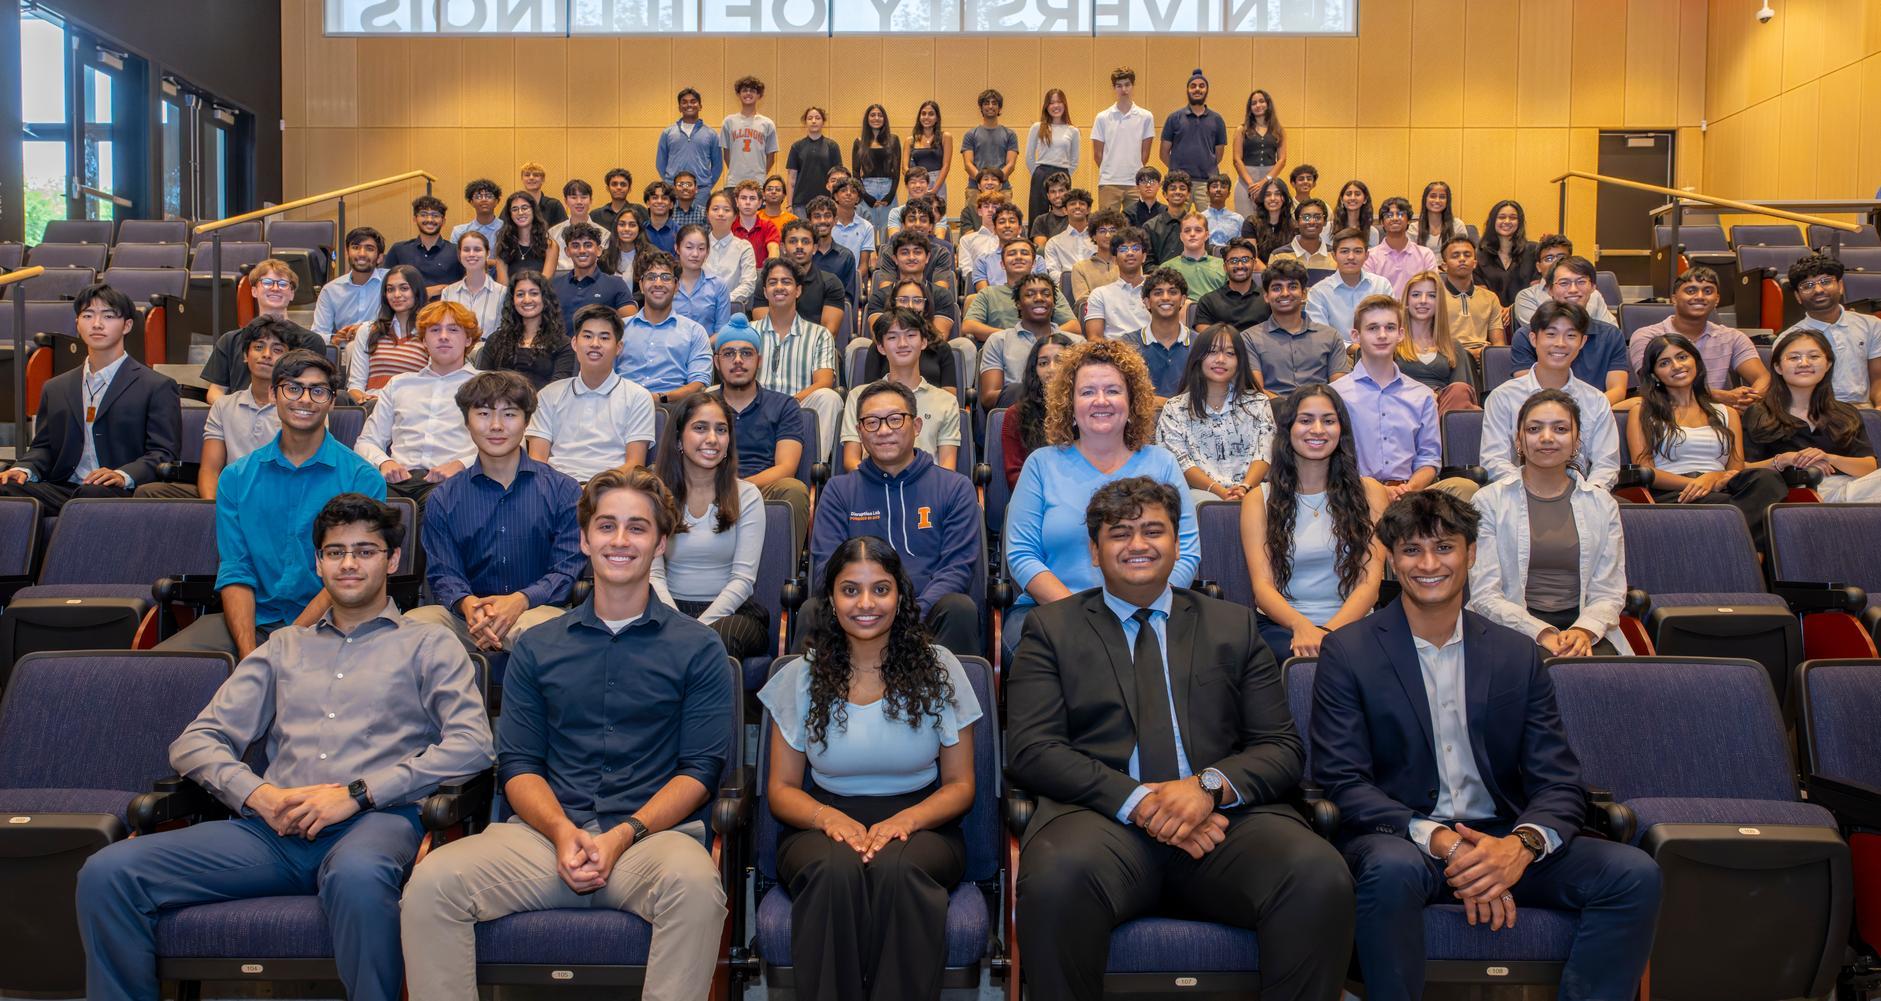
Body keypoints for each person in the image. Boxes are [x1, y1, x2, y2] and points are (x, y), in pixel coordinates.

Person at [80, 493, 493, 1001]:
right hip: (273, 830)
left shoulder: (428, 645)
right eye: (336, 552)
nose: (349, 563)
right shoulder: (283, 648)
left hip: (376, 822)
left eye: (365, 551)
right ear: (318, 562)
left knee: (359, 878)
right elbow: (195, 741)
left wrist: (356, 794)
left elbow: (473, 744)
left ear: (391, 560)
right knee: (109, 871)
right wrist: (258, 797)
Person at [1006, 476, 1355, 1001]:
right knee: (1054, 882)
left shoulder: (1232, 625)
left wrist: (1206, 787)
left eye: (1153, 531)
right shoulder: (1051, 629)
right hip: (1103, 822)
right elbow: (1033, 749)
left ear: (1177, 543)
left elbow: (1280, 747)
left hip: (1225, 825)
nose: (1138, 544)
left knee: (1317, 874)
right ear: (1095, 552)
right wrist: (1142, 802)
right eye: (1119, 534)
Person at [1312, 490, 1662, 1001]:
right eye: (1411, 550)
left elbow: (1559, 780)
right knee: (1389, 870)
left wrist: (1519, 848)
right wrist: (1448, 845)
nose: (1429, 564)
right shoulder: (1348, 651)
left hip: (1503, 836)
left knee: (1634, 874)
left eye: (1445, 548)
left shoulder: (1516, 654)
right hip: (1406, 840)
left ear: (1472, 553)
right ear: (1390, 558)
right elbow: (1342, 782)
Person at [400, 468, 734, 1001]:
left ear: (661, 543)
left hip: (649, 841)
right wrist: (561, 832)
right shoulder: (538, 646)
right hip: (542, 840)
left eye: (637, 528)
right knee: (430, 887)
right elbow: (519, 767)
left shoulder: (700, 648)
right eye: (606, 526)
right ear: (584, 539)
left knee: (697, 889)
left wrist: (621, 834)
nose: (620, 541)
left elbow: (699, 772)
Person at [760, 535, 982, 1000]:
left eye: (880, 589)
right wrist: (830, 819)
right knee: (835, 871)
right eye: (850, 589)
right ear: (831, 600)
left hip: (923, 824)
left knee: (898, 870)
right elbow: (781, 790)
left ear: (900, 595)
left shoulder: (939, 668)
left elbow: (961, 786)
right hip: (820, 823)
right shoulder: (799, 676)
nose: (866, 603)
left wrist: (905, 821)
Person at [154, 349, 384, 658]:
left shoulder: (362, 478)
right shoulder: (236, 477)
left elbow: (348, 574)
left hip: (335, 621)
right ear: (274, 394)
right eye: (293, 388)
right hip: (253, 620)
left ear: (331, 401)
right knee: (167, 669)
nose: (304, 399)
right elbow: (237, 569)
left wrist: (287, 643)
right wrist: (250, 655)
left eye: (317, 391)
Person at [1002, 339, 1199, 653]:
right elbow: (1022, 556)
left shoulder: (1162, 463)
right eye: (1087, 392)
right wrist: (1084, 615)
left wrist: (1142, 607)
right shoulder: (1041, 464)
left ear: (1132, 400)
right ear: (1070, 403)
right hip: (1055, 610)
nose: (1101, 401)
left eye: (1112, 390)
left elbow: (1185, 551)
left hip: (1149, 609)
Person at [409, 371, 580, 653]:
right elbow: (444, 573)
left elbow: (565, 570)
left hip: (536, 613)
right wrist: (468, 605)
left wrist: (520, 600)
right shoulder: (443, 498)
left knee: (543, 636)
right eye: (484, 414)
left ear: (527, 421)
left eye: (510, 414)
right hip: (466, 619)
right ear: (467, 421)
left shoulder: (564, 490)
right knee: (412, 628)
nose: (497, 426)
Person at [815, 379, 983, 654]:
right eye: (872, 422)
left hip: (928, 616)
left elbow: (956, 569)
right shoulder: (838, 491)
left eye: (895, 420)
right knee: (814, 610)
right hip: (859, 613)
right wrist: (868, 607)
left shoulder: (955, 488)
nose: (883, 431)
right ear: (859, 432)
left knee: (958, 608)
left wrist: (906, 615)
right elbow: (827, 568)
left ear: (916, 427)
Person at [1469, 388, 1632, 656]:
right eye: (1534, 429)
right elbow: (1485, 595)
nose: (1546, 438)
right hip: (1510, 624)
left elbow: (1609, 591)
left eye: (1560, 429)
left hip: (1582, 624)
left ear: (1576, 440)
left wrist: (1584, 631)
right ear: (1518, 441)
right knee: (1531, 669)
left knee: (1604, 678)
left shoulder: (1602, 505)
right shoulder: (1488, 502)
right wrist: (1541, 632)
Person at [0, 284, 179, 513]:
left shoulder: (156, 386)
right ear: (77, 323)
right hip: (64, 487)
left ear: (127, 325)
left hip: (118, 490)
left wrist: (123, 475)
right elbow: (43, 447)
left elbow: (163, 454)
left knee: (91, 494)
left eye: (108, 316)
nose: (97, 324)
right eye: (87, 315)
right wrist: (24, 469)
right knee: (6, 487)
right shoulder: (55, 387)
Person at [1240, 383, 1388, 659]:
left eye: (1328, 421)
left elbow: (1369, 583)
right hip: (1282, 627)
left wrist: (1329, 634)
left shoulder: (1371, 492)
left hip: (1355, 624)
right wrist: (1303, 627)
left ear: (1341, 429)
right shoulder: (1259, 499)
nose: (1318, 430)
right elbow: (1262, 587)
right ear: (1288, 430)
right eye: (1306, 420)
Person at [1628, 332, 1788, 546]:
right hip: (1674, 491)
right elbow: (1644, 471)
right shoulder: (1642, 412)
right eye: (1665, 362)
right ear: (1655, 374)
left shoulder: (1726, 413)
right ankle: (1752, 555)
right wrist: (1698, 483)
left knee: (1768, 480)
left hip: (1722, 485)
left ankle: (1742, 553)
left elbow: (1736, 468)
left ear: (1695, 361)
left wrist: (1712, 479)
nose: (1676, 366)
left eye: (1682, 357)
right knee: (1748, 511)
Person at [646, 393, 770, 659]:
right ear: (679, 439)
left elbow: (743, 581)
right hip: (669, 608)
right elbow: (654, 575)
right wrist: (676, 624)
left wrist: (696, 631)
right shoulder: (656, 494)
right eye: (700, 428)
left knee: (716, 643)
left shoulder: (747, 496)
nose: (712, 438)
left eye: (721, 430)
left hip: (732, 614)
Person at [139, 318, 290, 500]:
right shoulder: (224, 405)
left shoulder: (299, 405)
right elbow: (210, 469)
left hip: (278, 495)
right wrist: (214, 511)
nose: (266, 354)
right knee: (149, 492)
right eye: (258, 347)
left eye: (277, 350)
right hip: (230, 494)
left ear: (289, 359)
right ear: (245, 355)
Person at [354, 300, 481, 509]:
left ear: (468, 339)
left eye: (453, 329)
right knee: (357, 508)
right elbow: (366, 442)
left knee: (437, 506)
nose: (443, 336)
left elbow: (508, 443)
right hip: (397, 479)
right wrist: (384, 462)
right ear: (423, 341)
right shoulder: (399, 384)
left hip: (456, 480)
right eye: (434, 330)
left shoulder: (485, 386)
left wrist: (461, 465)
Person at [1481, 302, 1621, 490]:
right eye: (1551, 334)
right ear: (1533, 338)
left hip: (1581, 497)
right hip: (1518, 497)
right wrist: (1535, 494)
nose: (1560, 343)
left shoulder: (1596, 400)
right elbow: (1494, 461)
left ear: (1582, 342)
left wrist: (1588, 496)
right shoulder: (1503, 397)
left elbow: (1606, 466)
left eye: (1571, 335)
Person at [1745, 328, 1881, 502]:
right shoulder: (1760, 412)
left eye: (1814, 356)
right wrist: (1785, 459)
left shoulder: (1845, 413)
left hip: (1855, 488)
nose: (1804, 363)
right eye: (1794, 357)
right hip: (1797, 493)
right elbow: (1744, 468)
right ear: (1778, 367)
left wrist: (1828, 457)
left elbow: (1869, 466)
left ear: (1828, 365)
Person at [526, 304, 656, 483]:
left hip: (612, 489)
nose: (595, 344)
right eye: (587, 336)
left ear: (618, 347)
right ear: (574, 343)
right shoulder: (548, 396)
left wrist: (594, 489)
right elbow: (537, 462)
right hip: (555, 488)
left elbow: (635, 465)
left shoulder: (638, 397)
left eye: (604, 337)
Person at [1332, 296, 1443, 499]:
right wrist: (1379, 492)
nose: (1382, 335)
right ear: (1356, 336)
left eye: (1390, 328)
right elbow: (1331, 460)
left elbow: (1429, 459)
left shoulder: (1422, 395)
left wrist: (1408, 489)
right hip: (1355, 495)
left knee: (1463, 487)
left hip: (1409, 495)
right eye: (1373, 328)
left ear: (1401, 334)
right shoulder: (1336, 394)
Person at [1156, 323, 1275, 505]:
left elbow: (1264, 453)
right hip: (1200, 495)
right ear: (1198, 358)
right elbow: (1181, 462)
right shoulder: (1175, 409)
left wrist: (1245, 487)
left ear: (1240, 360)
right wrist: (1220, 491)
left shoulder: (1258, 403)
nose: (1220, 359)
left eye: (1230, 353)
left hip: (1253, 490)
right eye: (1212, 352)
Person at [1627, 266, 1769, 410]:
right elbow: (1654, 386)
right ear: (1674, 298)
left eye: (1708, 291)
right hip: (1668, 414)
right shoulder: (1647, 336)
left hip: (1722, 418)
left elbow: (1763, 378)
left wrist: (1747, 399)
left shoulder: (1733, 337)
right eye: (1691, 291)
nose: (1700, 296)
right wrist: (1722, 397)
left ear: (1717, 299)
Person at [840, 310, 962, 472]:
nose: (902, 344)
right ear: (881, 347)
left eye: (911, 335)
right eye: (892, 337)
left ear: (924, 342)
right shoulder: (858, 396)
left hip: (926, 491)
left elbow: (948, 467)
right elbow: (851, 461)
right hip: (873, 486)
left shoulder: (946, 401)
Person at [754, 258, 845, 461]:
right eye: (772, 282)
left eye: (786, 282)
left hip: (798, 406)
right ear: (765, 291)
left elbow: (824, 382)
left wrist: (787, 404)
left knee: (829, 398)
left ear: (798, 291)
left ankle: (812, 470)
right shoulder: (749, 333)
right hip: (754, 408)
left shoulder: (819, 334)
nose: (779, 287)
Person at [199, 258, 325, 404]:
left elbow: (311, 392)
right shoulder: (229, 340)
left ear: (291, 294)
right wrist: (234, 412)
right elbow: (216, 391)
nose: (275, 288)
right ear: (254, 290)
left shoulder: (311, 342)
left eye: (283, 284)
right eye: (267, 282)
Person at [1510, 254, 1630, 403]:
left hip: (1595, 417)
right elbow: (1527, 391)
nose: (1573, 289)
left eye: (1581, 282)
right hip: (1543, 416)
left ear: (1593, 287)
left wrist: (1587, 412)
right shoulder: (1527, 336)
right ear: (1550, 290)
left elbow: (1617, 390)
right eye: (1564, 283)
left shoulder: (1611, 335)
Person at [1783, 252, 1881, 407]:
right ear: (1797, 296)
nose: (1818, 290)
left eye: (1825, 281)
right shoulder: (1789, 338)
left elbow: (1878, 380)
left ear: (1840, 286)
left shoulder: (1871, 325)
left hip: (1864, 411)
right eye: (1807, 286)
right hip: (1815, 414)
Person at [615, 251, 712, 404]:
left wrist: (661, 399)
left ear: (676, 287)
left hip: (673, 410)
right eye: (651, 277)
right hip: (622, 407)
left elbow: (699, 383)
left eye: (666, 278)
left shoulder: (694, 331)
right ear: (641, 285)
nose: (658, 283)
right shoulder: (619, 329)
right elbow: (604, 375)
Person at [1246, 258, 1351, 397]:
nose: (1285, 293)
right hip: (1271, 413)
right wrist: (1288, 409)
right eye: (1277, 288)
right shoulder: (1250, 338)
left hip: (1320, 411)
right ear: (1266, 296)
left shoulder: (1330, 336)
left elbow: (1340, 388)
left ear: (1303, 294)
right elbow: (1256, 391)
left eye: (1292, 287)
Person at [343, 264, 430, 403]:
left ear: (417, 291)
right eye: (390, 289)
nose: (396, 295)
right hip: (373, 404)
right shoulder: (368, 330)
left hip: (413, 406)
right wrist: (363, 398)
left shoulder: (430, 333)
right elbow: (355, 386)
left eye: (404, 288)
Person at [999, 333, 1076, 488]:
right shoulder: (1016, 415)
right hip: (1038, 496)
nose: (1051, 369)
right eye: (1043, 363)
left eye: (1060, 361)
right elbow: (1015, 476)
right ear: (1035, 371)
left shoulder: (1087, 411)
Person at [478, 271, 574, 391]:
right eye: (520, 294)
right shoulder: (495, 340)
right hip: (499, 407)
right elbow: (483, 385)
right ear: (512, 300)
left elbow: (558, 391)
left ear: (545, 298)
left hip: (543, 407)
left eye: (534, 293)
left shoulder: (563, 344)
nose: (527, 300)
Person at [1399, 270, 1480, 413]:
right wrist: (1426, 395)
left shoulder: (1452, 346)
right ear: (1406, 301)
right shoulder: (1393, 342)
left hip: (1444, 407)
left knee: (1460, 391)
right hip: (1404, 407)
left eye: (1431, 296)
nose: (1423, 300)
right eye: (1416, 295)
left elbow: (1460, 391)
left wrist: (1437, 398)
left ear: (1439, 303)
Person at [963, 239, 1073, 342]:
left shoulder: (1048, 292)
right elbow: (969, 326)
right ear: (1002, 264)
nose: (1018, 257)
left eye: (1024, 253)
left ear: (1034, 263)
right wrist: (1014, 337)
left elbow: (1074, 326)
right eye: (1012, 254)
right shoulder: (988, 293)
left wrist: (1042, 339)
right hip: (1002, 350)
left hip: (1044, 351)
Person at [754, 219, 848, 335]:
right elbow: (763, 331)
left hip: (817, 349)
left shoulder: (831, 283)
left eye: (805, 242)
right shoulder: (768, 282)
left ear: (814, 248)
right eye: (793, 241)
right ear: (782, 247)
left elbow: (828, 334)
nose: (799, 246)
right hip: (774, 347)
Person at [869, 230, 961, 337]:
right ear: (895, 259)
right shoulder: (879, 297)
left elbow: (938, 338)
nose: (911, 257)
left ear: (927, 258)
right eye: (904, 253)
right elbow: (879, 336)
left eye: (917, 252)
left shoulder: (942, 296)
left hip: (930, 351)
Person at [1510, 235, 1616, 328]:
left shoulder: (1593, 294)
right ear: (1538, 266)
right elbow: (1540, 333)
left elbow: (1611, 330)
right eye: (1549, 258)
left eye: (1562, 257)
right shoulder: (1527, 296)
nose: (1556, 262)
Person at [1305, 227, 1393, 338]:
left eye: (1357, 251)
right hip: (1334, 353)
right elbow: (1320, 335)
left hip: (1378, 350)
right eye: (1344, 251)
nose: (1351, 257)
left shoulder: (1381, 286)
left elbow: (1391, 325)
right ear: (1334, 256)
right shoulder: (1319, 292)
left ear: (1366, 255)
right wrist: (1350, 348)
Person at [1124, 267, 1196, 401]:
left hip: (1189, 417)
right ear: (1146, 302)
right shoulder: (1128, 344)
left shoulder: (1200, 343)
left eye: (1173, 292)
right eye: (1158, 293)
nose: (1165, 297)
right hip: (1144, 418)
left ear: (1183, 300)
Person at [549, 222, 634, 331]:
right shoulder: (554, 286)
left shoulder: (616, 284)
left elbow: (630, 327)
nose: (582, 251)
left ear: (599, 250)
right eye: (575, 245)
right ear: (567, 251)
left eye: (588, 245)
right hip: (561, 347)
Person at [1092, 67, 1156, 212]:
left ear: (1132, 86)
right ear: (1114, 88)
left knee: (1135, 228)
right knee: (1107, 227)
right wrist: (1111, 169)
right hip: (1109, 182)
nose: (1124, 89)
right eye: (1119, 86)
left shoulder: (1146, 116)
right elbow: (1098, 155)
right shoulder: (1102, 117)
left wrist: (1134, 169)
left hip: (1135, 182)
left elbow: (1145, 153)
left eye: (1127, 85)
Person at [311, 227, 388, 341]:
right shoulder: (330, 290)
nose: (362, 254)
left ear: (380, 258)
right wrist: (334, 338)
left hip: (380, 350)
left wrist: (366, 330)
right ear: (347, 253)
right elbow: (318, 334)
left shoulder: (391, 282)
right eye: (356, 247)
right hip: (343, 352)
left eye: (369, 249)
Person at [1437, 234, 1508, 350]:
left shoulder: (1490, 298)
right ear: (1444, 266)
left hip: (1483, 358)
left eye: (1467, 255)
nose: (1462, 259)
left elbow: (1499, 343)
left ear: (1474, 263)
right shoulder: (1435, 296)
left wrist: (1487, 357)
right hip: (1448, 357)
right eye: (1455, 256)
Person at [384, 194, 465, 294]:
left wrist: (444, 289)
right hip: (409, 308)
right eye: (423, 215)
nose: (429, 220)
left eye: (435, 215)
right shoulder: (399, 249)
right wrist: (425, 292)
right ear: (415, 219)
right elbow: (386, 286)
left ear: (443, 221)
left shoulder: (457, 251)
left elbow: (466, 285)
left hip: (445, 308)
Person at [1160, 69, 1227, 189]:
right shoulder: (1174, 118)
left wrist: (1207, 168)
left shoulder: (1217, 119)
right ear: (1187, 90)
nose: (1197, 89)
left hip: (1207, 182)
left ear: (1207, 90)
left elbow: (1219, 154)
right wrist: (1175, 171)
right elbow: (1163, 152)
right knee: (1177, 209)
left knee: (1207, 209)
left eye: (1202, 86)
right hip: (1179, 183)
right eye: (1193, 86)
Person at [1084, 226, 1153, 341]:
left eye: (1135, 248)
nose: (1130, 253)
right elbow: (1094, 338)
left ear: (1144, 257)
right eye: (1123, 249)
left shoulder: (1157, 292)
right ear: (1115, 260)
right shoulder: (1100, 294)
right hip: (1115, 354)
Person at [1366, 197, 1440, 296]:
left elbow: (1433, 291)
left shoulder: (1425, 255)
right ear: (1382, 223)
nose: (1395, 218)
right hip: (1382, 309)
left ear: (1408, 220)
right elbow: (1369, 294)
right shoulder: (1370, 257)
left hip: (1418, 309)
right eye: (1389, 215)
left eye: (1400, 214)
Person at [440, 231, 506, 338]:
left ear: (488, 253)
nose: (471, 254)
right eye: (466, 250)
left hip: (490, 353)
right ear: (459, 254)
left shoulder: (503, 293)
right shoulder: (448, 293)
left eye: (477, 249)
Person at [1194, 237, 1271, 331]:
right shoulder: (1208, 301)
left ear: (1254, 264)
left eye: (1245, 259)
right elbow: (1206, 338)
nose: (1240, 265)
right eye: (1233, 261)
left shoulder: (1269, 298)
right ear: (1225, 267)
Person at [1026, 91, 1079, 224]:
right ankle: (1037, 243)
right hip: (1041, 174)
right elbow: (1029, 157)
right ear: (1046, 106)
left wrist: (1064, 176)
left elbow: (1074, 161)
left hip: (1062, 174)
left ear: (1064, 104)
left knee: (1062, 213)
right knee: (1037, 213)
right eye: (1051, 103)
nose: (1055, 106)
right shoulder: (1037, 127)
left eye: (1059, 102)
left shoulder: (1073, 131)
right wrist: (1038, 174)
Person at [1232, 88, 1286, 217]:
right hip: (1246, 182)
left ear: (1268, 104)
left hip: (1270, 180)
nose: (1258, 105)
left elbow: (1282, 160)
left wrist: (1264, 182)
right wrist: (1252, 185)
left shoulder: (1278, 130)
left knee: (1270, 218)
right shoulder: (1241, 130)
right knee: (1245, 219)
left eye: (1261, 101)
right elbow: (1236, 159)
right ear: (1250, 108)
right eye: (1254, 103)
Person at [673, 224, 733, 335]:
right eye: (689, 247)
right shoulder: (667, 284)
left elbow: (722, 331)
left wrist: (701, 349)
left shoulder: (718, 285)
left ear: (707, 252)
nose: (695, 254)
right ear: (677, 248)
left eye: (701, 248)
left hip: (708, 349)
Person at [1475, 199, 1536, 307]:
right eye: (1501, 217)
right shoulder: (1479, 253)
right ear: (1493, 221)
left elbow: (1535, 291)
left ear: (1520, 222)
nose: (1507, 221)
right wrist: (1499, 310)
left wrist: (1512, 310)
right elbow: (1481, 293)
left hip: (1524, 312)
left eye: (1513, 218)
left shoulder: (1532, 251)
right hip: (1490, 313)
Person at [853, 103, 903, 237]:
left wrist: (891, 194)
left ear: (884, 119)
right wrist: (865, 196)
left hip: (888, 187)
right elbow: (856, 173)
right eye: (873, 115)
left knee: (889, 231)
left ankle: (887, 257)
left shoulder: (893, 140)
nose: (876, 118)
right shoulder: (859, 142)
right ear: (867, 118)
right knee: (867, 230)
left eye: (880, 115)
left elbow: (897, 171)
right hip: (867, 188)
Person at [721, 75, 778, 187]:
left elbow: (771, 157)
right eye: (744, 90)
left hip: (758, 183)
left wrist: (760, 175)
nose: (748, 93)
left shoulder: (767, 123)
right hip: (734, 182)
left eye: (752, 91)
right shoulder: (729, 121)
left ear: (759, 95)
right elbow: (726, 154)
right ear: (738, 94)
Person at [493, 191, 558, 285]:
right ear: (510, 215)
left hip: (540, 296)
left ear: (533, 211)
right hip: (512, 297)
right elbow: (502, 286)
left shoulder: (550, 246)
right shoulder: (504, 245)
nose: (520, 212)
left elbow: (545, 282)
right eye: (515, 209)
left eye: (525, 208)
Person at [548, 179, 611, 275]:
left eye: (584, 197)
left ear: (591, 200)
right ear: (566, 201)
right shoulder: (552, 233)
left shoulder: (604, 234)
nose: (579, 202)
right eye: (573, 197)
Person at [704, 190, 758, 303]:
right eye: (715, 209)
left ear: (735, 216)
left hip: (732, 308)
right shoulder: (698, 246)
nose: (720, 213)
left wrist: (724, 301)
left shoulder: (744, 247)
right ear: (707, 214)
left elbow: (748, 284)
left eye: (727, 210)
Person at [969, 202, 1036, 291]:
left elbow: (1041, 291)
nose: (1007, 226)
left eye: (1012, 221)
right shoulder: (982, 262)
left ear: (1020, 229)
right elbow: (984, 297)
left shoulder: (1037, 260)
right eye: (1002, 222)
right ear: (995, 230)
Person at [788, 106, 844, 211]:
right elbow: (791, 178)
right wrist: (789, 205)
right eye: (810, 118)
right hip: (801, 203)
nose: (813, 121)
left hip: (827, 201)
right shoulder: (797, 146)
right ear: (805, 122)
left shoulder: (832, 146)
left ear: (823, 122)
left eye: (817, 118)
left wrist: (837, 200)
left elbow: (839, 177)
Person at [1160, 212, 1226, 300]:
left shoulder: (1223, 265)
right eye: (1187, 230)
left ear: (1206, 235)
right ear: (1181, 236)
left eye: (1198, 230)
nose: (1192, 234)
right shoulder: (1167, 268)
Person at [805, 196, 860, 296]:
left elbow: (848, 299)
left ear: (835, 220)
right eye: (817, 216)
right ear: (809, 221)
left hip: (836, 309)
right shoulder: (802, 255)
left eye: (827, 216)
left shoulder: (846, 257)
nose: (822, 221)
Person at [1070, 210, 1124, 308]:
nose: (1108, 235)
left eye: (1112, 230)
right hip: (1095, 317)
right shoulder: (1080, 268)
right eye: (1102, 231)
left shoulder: (1129, 264)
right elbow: (1083, 302)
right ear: (1094, 236)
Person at [909, 100, 954, 213]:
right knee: (915, 216)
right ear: (919, 117)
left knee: (937, 219)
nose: (926, 117)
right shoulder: (910, 140)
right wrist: (916, 183)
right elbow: (904, 168)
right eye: (923, 113)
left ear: (937, 117)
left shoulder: (945, 137)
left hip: (937, 182)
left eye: (931, 114)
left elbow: (946, 165)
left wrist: (935, 189)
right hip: (917, 184)